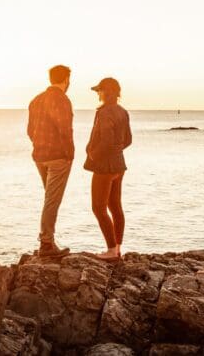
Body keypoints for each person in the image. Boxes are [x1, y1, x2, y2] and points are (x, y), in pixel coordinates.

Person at [27, 65, 74, 257]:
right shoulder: (62, 99)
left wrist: (39, 145)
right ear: (66, 79)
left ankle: (48, 240)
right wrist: (69, 153)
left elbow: (30, 130)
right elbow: (64, 128)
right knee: (52, 200)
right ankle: (46, 243)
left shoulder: (36, 100)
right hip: (58, 157)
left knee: (49, 199)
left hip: (40, 155)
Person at [85, 77, 132, 261]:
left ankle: (111, 250)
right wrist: (116, 152)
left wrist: (92, 154)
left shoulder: (104, 112)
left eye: (100, 91)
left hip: (105, 166)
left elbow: (106, 141)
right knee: (115, 206)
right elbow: (128, 140)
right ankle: (118, 248)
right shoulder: (123, 111)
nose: (98, 94)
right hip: (119, 165)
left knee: (98, 207)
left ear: (107, 92)